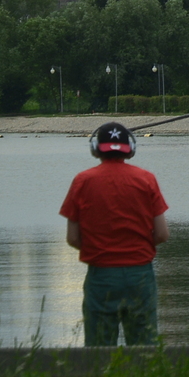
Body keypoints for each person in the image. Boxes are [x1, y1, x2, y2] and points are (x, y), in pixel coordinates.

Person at [58, 122, 170, 346]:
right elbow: (161, 234)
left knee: (99, 350)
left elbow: (72, 238)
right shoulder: (146, 179)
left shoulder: (82, 181)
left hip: (101, 275)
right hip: (140, 274)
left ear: (95, 148)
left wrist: (100, 250)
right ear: (130, 148)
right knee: (144, 348)